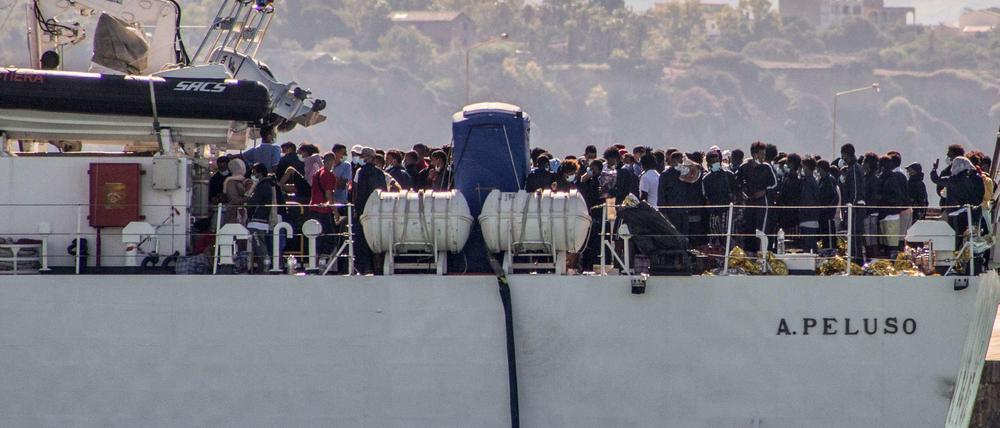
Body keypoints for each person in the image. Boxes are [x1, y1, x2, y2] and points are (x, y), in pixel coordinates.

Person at [931, 156, 985, 251]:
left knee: (957, 236)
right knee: (971, 236)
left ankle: (956, 254)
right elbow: (981, 195)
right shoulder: (977, 178)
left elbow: (936, 179)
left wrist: (934, 169)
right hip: (974, 212)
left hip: (956, 213)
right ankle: (970, 255)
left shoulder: (953, 180)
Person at [736, 141, 777, 253]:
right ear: (755, 155)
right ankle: (750, 252)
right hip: (749, 203)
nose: (764, 157)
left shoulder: (767, 167)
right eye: (762, 154)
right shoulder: (744, 167)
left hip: (763, 203)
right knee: (749, 226)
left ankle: (762, 252)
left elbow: (774, 184)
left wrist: (764, 191)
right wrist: (742, 192)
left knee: (762, 228)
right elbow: (737, 182)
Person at [352, 147, 388, 274]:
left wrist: (357, 210)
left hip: (365, 211)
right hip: (378, 210)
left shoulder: (362, 172)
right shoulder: (380, 172)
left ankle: (365, 267)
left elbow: (360, 193)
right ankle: (378, 267)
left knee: (363, 240)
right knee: (377, 239)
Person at [246, 163, 279, 272]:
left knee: (259, 245)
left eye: (254, 172)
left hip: (257, 221)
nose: (252, 174)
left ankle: (264, 266)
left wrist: (247, 201)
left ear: (259, 173)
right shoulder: (268, 185)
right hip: (263, 220)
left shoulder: (262, 186)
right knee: (260, 244)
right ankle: (262, 267)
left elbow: (253, 202)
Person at [309, 153, 340, 257]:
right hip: (324, 211)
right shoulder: (329, 175)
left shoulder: (317, 174)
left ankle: (315, 259)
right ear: (332, 161)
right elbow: (328, 195)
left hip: (313, 208)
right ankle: (324, 260)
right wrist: (335, 212)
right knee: (330, 238)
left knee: (316, 237)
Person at [838, 144, 865, 262]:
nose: (842, 158)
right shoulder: (854, 168)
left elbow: (855, 190)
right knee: (853, 235)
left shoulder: (854, 169)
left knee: (855, 236)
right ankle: (854, 260)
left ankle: (856, 261)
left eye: (843, 155)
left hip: (855, 208)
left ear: (846, 154)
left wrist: (850, 207)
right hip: (853, 207)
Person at [702, 150, 733, 248]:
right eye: (713, 162)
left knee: (727, 234)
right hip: (714, 211)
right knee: (715, 235)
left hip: (727, 210)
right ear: (708, 164)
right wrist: (711, 210)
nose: (716, 164)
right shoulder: (706, 179)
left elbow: (735, 192)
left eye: (717, 161)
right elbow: (706, 196)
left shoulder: (728, 175)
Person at [798, 157, 821, 252]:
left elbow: (808, 199)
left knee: (809, 246)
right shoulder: (810, 181)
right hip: (809, 217)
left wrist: (804, 212)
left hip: (809, 217)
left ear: (807, 167)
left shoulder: (809, 182)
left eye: (803, 167)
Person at [816, 160, 839, 251]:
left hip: (828, 214)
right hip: (822, 214)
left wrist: (828, 208)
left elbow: (834, 196)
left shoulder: (830, 179)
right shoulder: (821, 180)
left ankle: (831, 251)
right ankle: (826, 250)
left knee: (829, 235)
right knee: (824, 235)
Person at [222, 158, 249, 225]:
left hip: (240, 213)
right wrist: (247, 198)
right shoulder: (231, 182)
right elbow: (234, 199)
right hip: (233, 214)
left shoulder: (242, 181)